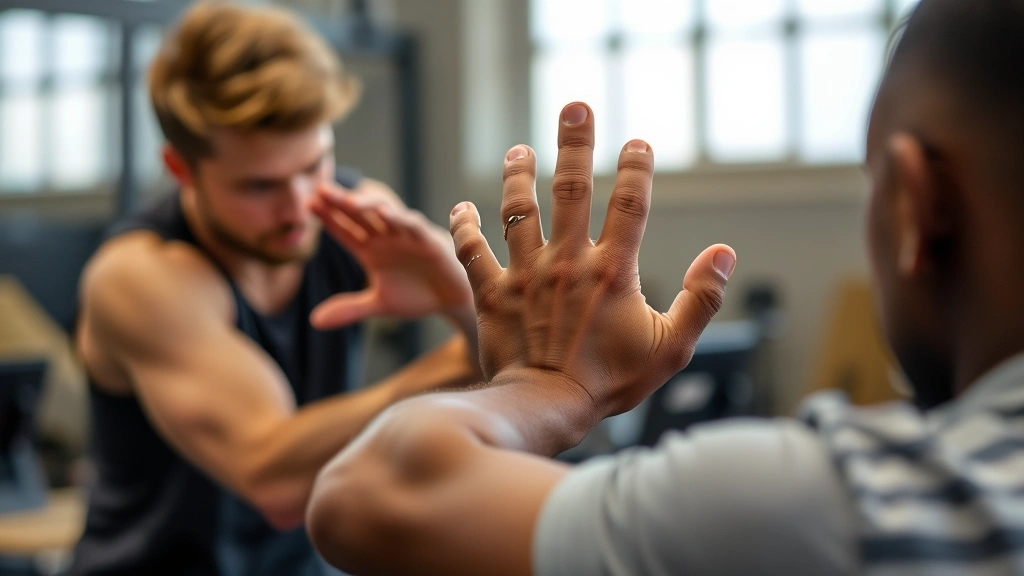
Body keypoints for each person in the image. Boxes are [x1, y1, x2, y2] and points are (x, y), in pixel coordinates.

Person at [306, 0, 1024, 574]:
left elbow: (366, 496)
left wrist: (551, 383)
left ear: (914, 203)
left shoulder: (840, 507)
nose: (296, 201)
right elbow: (265, 463)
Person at [71, 2, 480, 575]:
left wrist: (464, 299)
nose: (300, 207)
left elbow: (516, 343)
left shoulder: (358, 215)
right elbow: (275, 479)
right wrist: (466, 357)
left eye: (315, 165)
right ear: (181, 168)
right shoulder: (142, 276)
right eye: (260, 185)